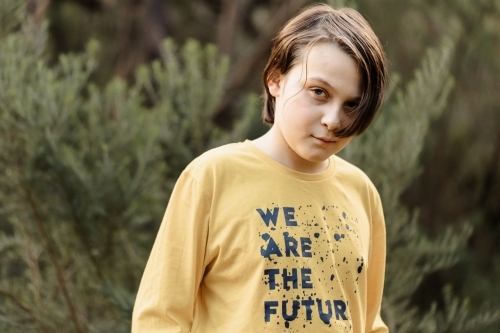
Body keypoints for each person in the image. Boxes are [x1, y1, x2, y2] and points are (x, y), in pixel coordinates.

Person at [132, 3, 388, 332]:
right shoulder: (212, 177)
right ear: (275, 81)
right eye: (319, 93)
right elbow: (160, 318)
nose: (334, 120)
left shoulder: (361, 192)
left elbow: (368, 322)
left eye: (352, 104)